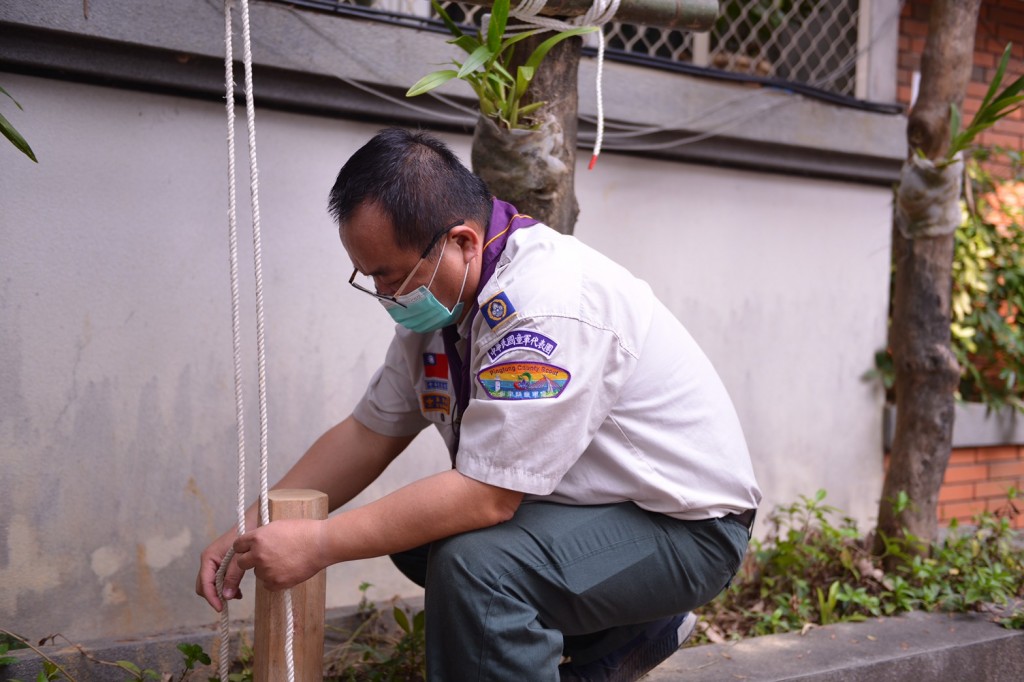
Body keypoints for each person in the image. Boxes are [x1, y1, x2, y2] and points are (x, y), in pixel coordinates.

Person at [196, 127, 761, 681]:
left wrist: (319, 543)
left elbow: (487, 498)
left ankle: (621, 625)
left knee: (478, 571)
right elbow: (368, 434)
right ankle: (625, 639)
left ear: (462, 242)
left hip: (687, 528)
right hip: (600, 510)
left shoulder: (546, 306)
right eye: (371, 279)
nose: (387, 297)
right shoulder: (443, 307)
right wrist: (249, 528)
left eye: (392, 277)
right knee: (416, 539)